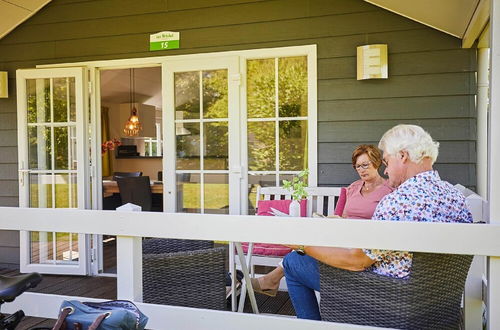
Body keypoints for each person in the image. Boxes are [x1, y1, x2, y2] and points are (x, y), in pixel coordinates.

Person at [281, 124, 473, 320]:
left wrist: (301, 244)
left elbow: (357, 261)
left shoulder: (398, 201)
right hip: (433, 300)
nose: (387, 170)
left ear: (403, 156)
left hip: (382, 296)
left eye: (387, 161)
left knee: (294, 261)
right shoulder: (455, 197)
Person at [251, 144, 393, 296]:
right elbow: (342, 216)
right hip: (343, 237)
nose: (361, 169)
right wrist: (334, 220)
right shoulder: (353, 188)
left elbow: (384, 223)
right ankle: (272, 280)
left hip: (363, 245)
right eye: (357, 166)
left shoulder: (389, 190)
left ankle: (271, 280)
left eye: (365, 164)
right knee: (301, 246)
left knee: (295, 257)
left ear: (376, 162)